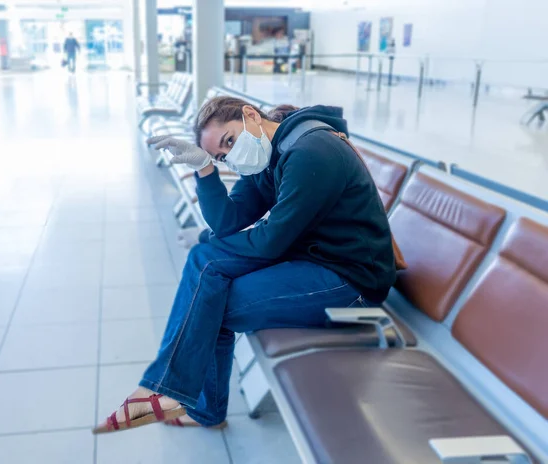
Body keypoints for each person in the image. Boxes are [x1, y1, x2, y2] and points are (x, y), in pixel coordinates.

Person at [93, 97, 397, 433]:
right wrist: (205, 169)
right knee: (206, 277)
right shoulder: (267, 156)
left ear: (251, 116)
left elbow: (270, 242)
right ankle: (184, 400)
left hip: (350, 279)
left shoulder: (312, 153)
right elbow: (228, 220)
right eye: (223, 155)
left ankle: (181, 398)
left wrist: (208, 242)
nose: (231, 156)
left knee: (210, 298)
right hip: (312, 259)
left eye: (229, 141)